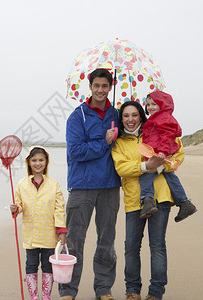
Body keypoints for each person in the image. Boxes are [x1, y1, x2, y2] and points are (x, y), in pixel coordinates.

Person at [111, 100, 184, 300]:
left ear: (141, 116)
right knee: (131, 246)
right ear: (121, 119)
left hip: (160, 198)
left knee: (157, 245)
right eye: (126, 116)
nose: (130, 119)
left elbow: (178, 155)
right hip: (134, 200)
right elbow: (121, 168)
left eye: (134, 115)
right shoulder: (118, 143)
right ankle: (132, 290)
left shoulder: (156, 130)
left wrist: (159, 167)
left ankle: (156, 292)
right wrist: (145, 167)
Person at [59, 68, 121, 300]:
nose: (101, 90)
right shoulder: (78, 116)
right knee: (74, 242)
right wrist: (104, 142)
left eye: (105, 86)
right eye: (97, 86)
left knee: (106, 241)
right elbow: (75, 151)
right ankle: (67, 290)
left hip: (110, 186)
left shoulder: (116, 114)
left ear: (110, 87)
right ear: (90, 86)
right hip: (81, 185)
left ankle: (103, 289)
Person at [10, 146, 67, 300]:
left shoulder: (53, 184)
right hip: (31, 236)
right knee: (31, 265)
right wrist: (15, 208)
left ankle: (46, 297)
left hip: (49, 235)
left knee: (48, 266)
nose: (37, 163)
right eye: (34, 160)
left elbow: (59, 208)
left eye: (41, 160)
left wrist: (61, 230)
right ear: (28, 162)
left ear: (46, 162)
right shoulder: (22, 184)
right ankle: (34, 297)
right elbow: (19, 205)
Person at [139, 91, 197, 222]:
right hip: (159, 151)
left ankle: (147, 200)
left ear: (163, 105)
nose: (150, 107)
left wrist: (163, 152)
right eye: (148, 104)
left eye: (154, 104)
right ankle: (184, 202)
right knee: (170, 177)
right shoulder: (157, 118)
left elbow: (167, 136)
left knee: (146, 175)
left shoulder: (164, 118)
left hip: (161, 152)